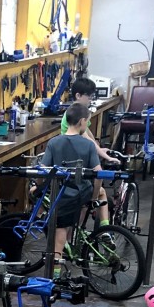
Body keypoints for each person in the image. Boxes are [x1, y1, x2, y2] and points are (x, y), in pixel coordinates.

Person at [42, 102, 102, 273]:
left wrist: (37, 187)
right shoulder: (89, 145)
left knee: (58, 231)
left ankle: (56, 275)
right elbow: (98, 174)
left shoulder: (54, 143)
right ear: (82, 121)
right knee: (75, 212)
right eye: (88, 122)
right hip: (82, 194)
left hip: (62, 196)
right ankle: (80, 235)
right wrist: (94, 198)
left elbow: (44, 171)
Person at [61, 76, 118, 225]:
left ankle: (79, 230)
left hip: (79, 162)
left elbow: (89, 135)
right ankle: (101, 230)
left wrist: (100, 148)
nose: (90, 100)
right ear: (78, 95)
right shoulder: (74, 116)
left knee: (89, 199)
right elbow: (87, 140)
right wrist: (103, 154)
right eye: (89, 97)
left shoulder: (79, 113)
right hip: (74, 167)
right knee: (99, 193)